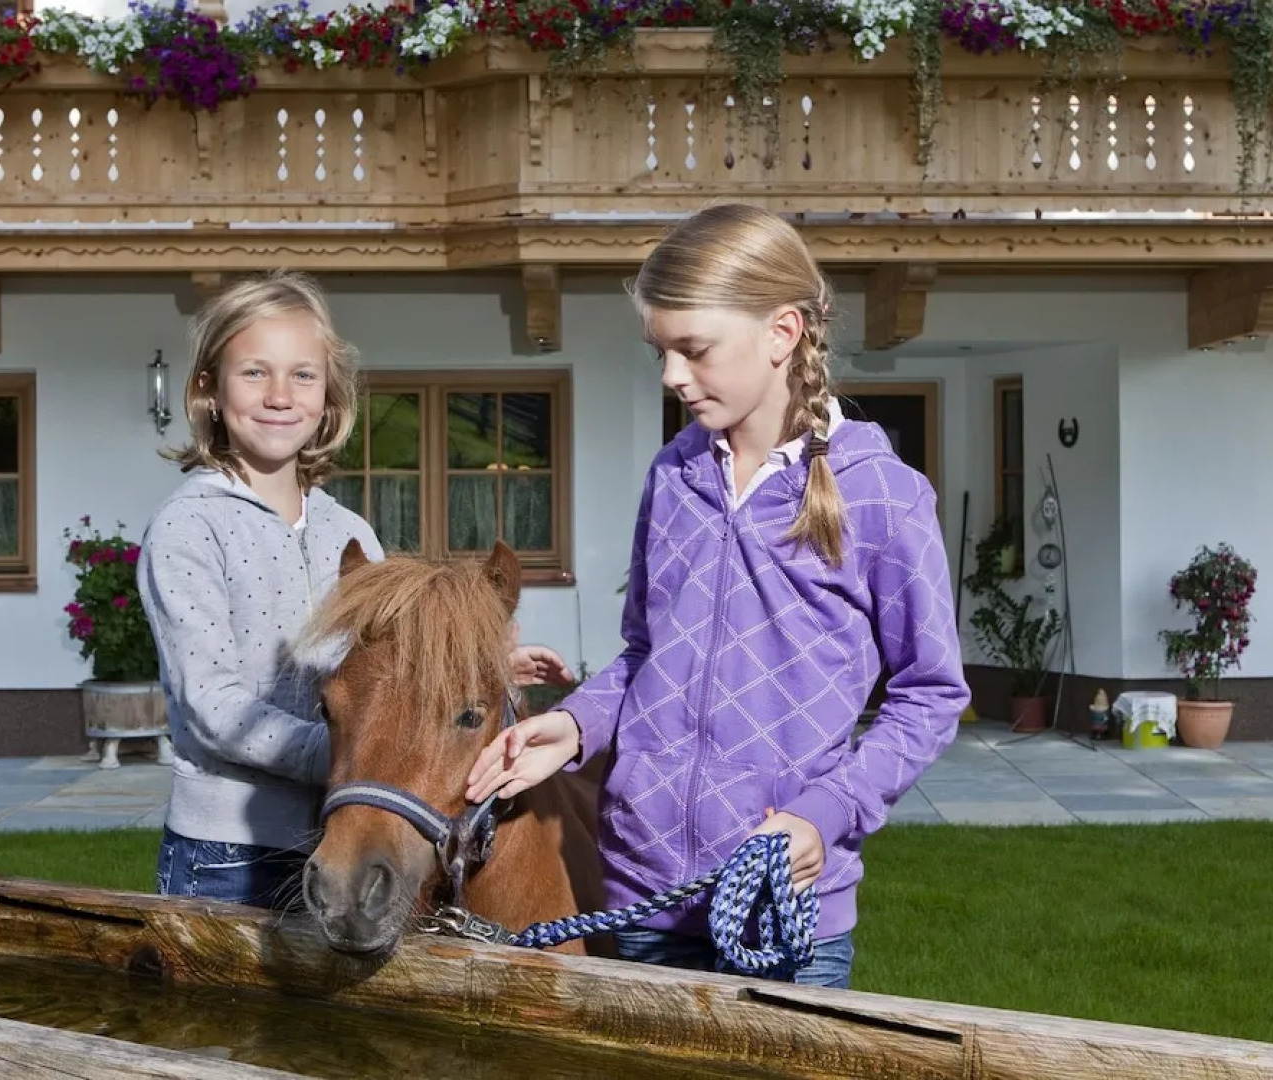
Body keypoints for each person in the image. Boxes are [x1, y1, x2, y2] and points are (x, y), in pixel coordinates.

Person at [465, 205, 969, 989]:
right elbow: (647, 655)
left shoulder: (884, 497)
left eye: (694, 350)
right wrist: (575, 724)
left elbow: (930, 696)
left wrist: (825, 813)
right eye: (661, 351)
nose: (672, 375)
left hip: (781, 908)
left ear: (782, 333)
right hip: (641, 896)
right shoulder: (674, 476)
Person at [140, 270, 572, 910]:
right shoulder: (188, 527)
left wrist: (466, 671)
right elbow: (212, 707)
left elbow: (381, 671)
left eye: (303, 375)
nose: (280, 395)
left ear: (329, 394)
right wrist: (357, 754)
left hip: (346, 825)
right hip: (229, 851)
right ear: (209, 388)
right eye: (254, 373)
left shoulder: (348, 531)